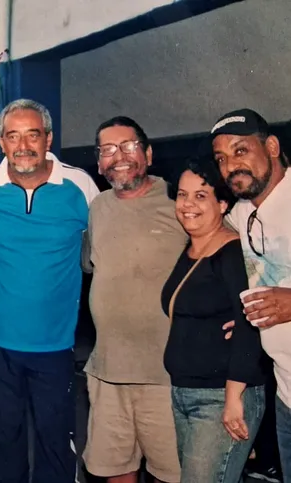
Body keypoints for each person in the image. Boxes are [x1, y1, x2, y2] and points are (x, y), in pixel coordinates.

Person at [0, 99, 99, 483]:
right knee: (2, 447)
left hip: (55, 347)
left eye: (32, 135)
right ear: (1, 142)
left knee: (57, 449)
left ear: (48, 139)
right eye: (12, 136)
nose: (23, 145)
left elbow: (107, 249)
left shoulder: (80, 187)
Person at [81, 116, 186, 483]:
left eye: (128, 146)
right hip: (108, 372)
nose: (119, 157)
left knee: (172, 475)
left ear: (149, 153)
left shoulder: (180, 203)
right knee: (116, 472)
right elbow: (91, 266)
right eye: (108, 150)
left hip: (167, 376)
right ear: (99, 163)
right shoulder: (98, 209)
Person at [162, 157, 265, 482]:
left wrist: (234, 400)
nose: (187, 204)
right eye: (182, 195)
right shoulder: (191, 249)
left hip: (220, 397)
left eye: (200, 196)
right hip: (184, 392)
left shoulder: (231, 253)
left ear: (222, 203)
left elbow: (248, 326)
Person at [212, 108, 291, 481]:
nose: (231, 166)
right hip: (287, 396)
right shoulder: (242, 214)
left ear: (272, 147)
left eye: (241, 151)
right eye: (222, 159)